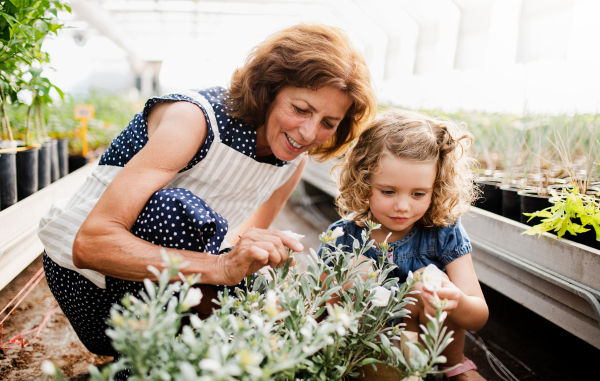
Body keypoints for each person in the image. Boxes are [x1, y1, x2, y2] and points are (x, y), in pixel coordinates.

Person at [38, 23, 377, 359]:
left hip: (163, 290)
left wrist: (246, 261)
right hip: (89, 283)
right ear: (270, 90)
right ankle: (149, 362)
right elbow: (91, 244)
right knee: (177, 210)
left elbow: (240, 242)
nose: (308, 133)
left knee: (265, 306)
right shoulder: (195, 119)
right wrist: (220, 268)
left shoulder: (291, 162)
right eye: (301, 109)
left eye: (328, 123)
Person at [320, 110, 488, 381]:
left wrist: (455, 300)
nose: (402, 206)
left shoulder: (444, 231)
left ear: (437, 187)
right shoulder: (342, 238)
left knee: (428, 282)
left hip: (431, 350)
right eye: (388, 191)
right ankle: (370, 371)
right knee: (355, 273)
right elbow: (319, 310)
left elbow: (478, 317)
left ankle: (455, 368)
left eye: (418, 194)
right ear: (364, 183)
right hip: (367, 350)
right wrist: (344, 283)